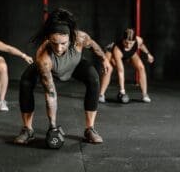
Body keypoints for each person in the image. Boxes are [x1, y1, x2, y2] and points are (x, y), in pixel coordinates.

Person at [14, 8, 110, 145]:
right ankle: (28, 130)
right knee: (26, 81)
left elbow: (93, 45)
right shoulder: (43, 58)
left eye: (63, 44)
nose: (59, 49)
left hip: (74, 64)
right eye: (54, 43)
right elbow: (50, 94)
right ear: (48, 39)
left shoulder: (80, 38)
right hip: (51, 69)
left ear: (70, 38)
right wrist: (52, 126)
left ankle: (90, 129)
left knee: (93, 76)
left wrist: (104, 59)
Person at [99, 28, 154, 103]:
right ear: (123, 40)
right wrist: (122, 91)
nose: (128, 45)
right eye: (126, 42)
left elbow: (141, 45)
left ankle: (145, 94)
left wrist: (148, 54)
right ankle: (101, 95)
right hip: (111, 53)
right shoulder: (117, 49)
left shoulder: (139, 40)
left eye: (131, 43)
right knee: (108, 69)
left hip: (129, 54)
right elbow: (121, 71)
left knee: (141, 67)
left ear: (134, 41)